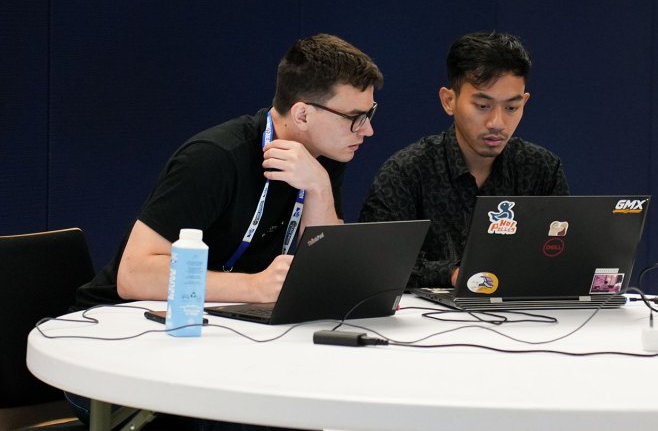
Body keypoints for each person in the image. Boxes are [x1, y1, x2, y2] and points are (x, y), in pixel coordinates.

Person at [71, 33, 383, 430]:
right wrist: (253, 287)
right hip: (117, 342)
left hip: (218, 339)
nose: (367, 131)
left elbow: (326, 276)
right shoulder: (214, 158)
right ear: (303, 114)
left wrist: (319, 187)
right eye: (355, 117)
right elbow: (133, 276)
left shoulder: (323, 157)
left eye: (370, 114)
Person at [359, 31, 568, 288]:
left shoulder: (542, 169)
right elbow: (377, 262)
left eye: (511, 108)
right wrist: (455, 274)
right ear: (449, 100)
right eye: (483, 106)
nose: (497, 123)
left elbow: (563, 255)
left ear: (524, 102)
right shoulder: (406, 172)